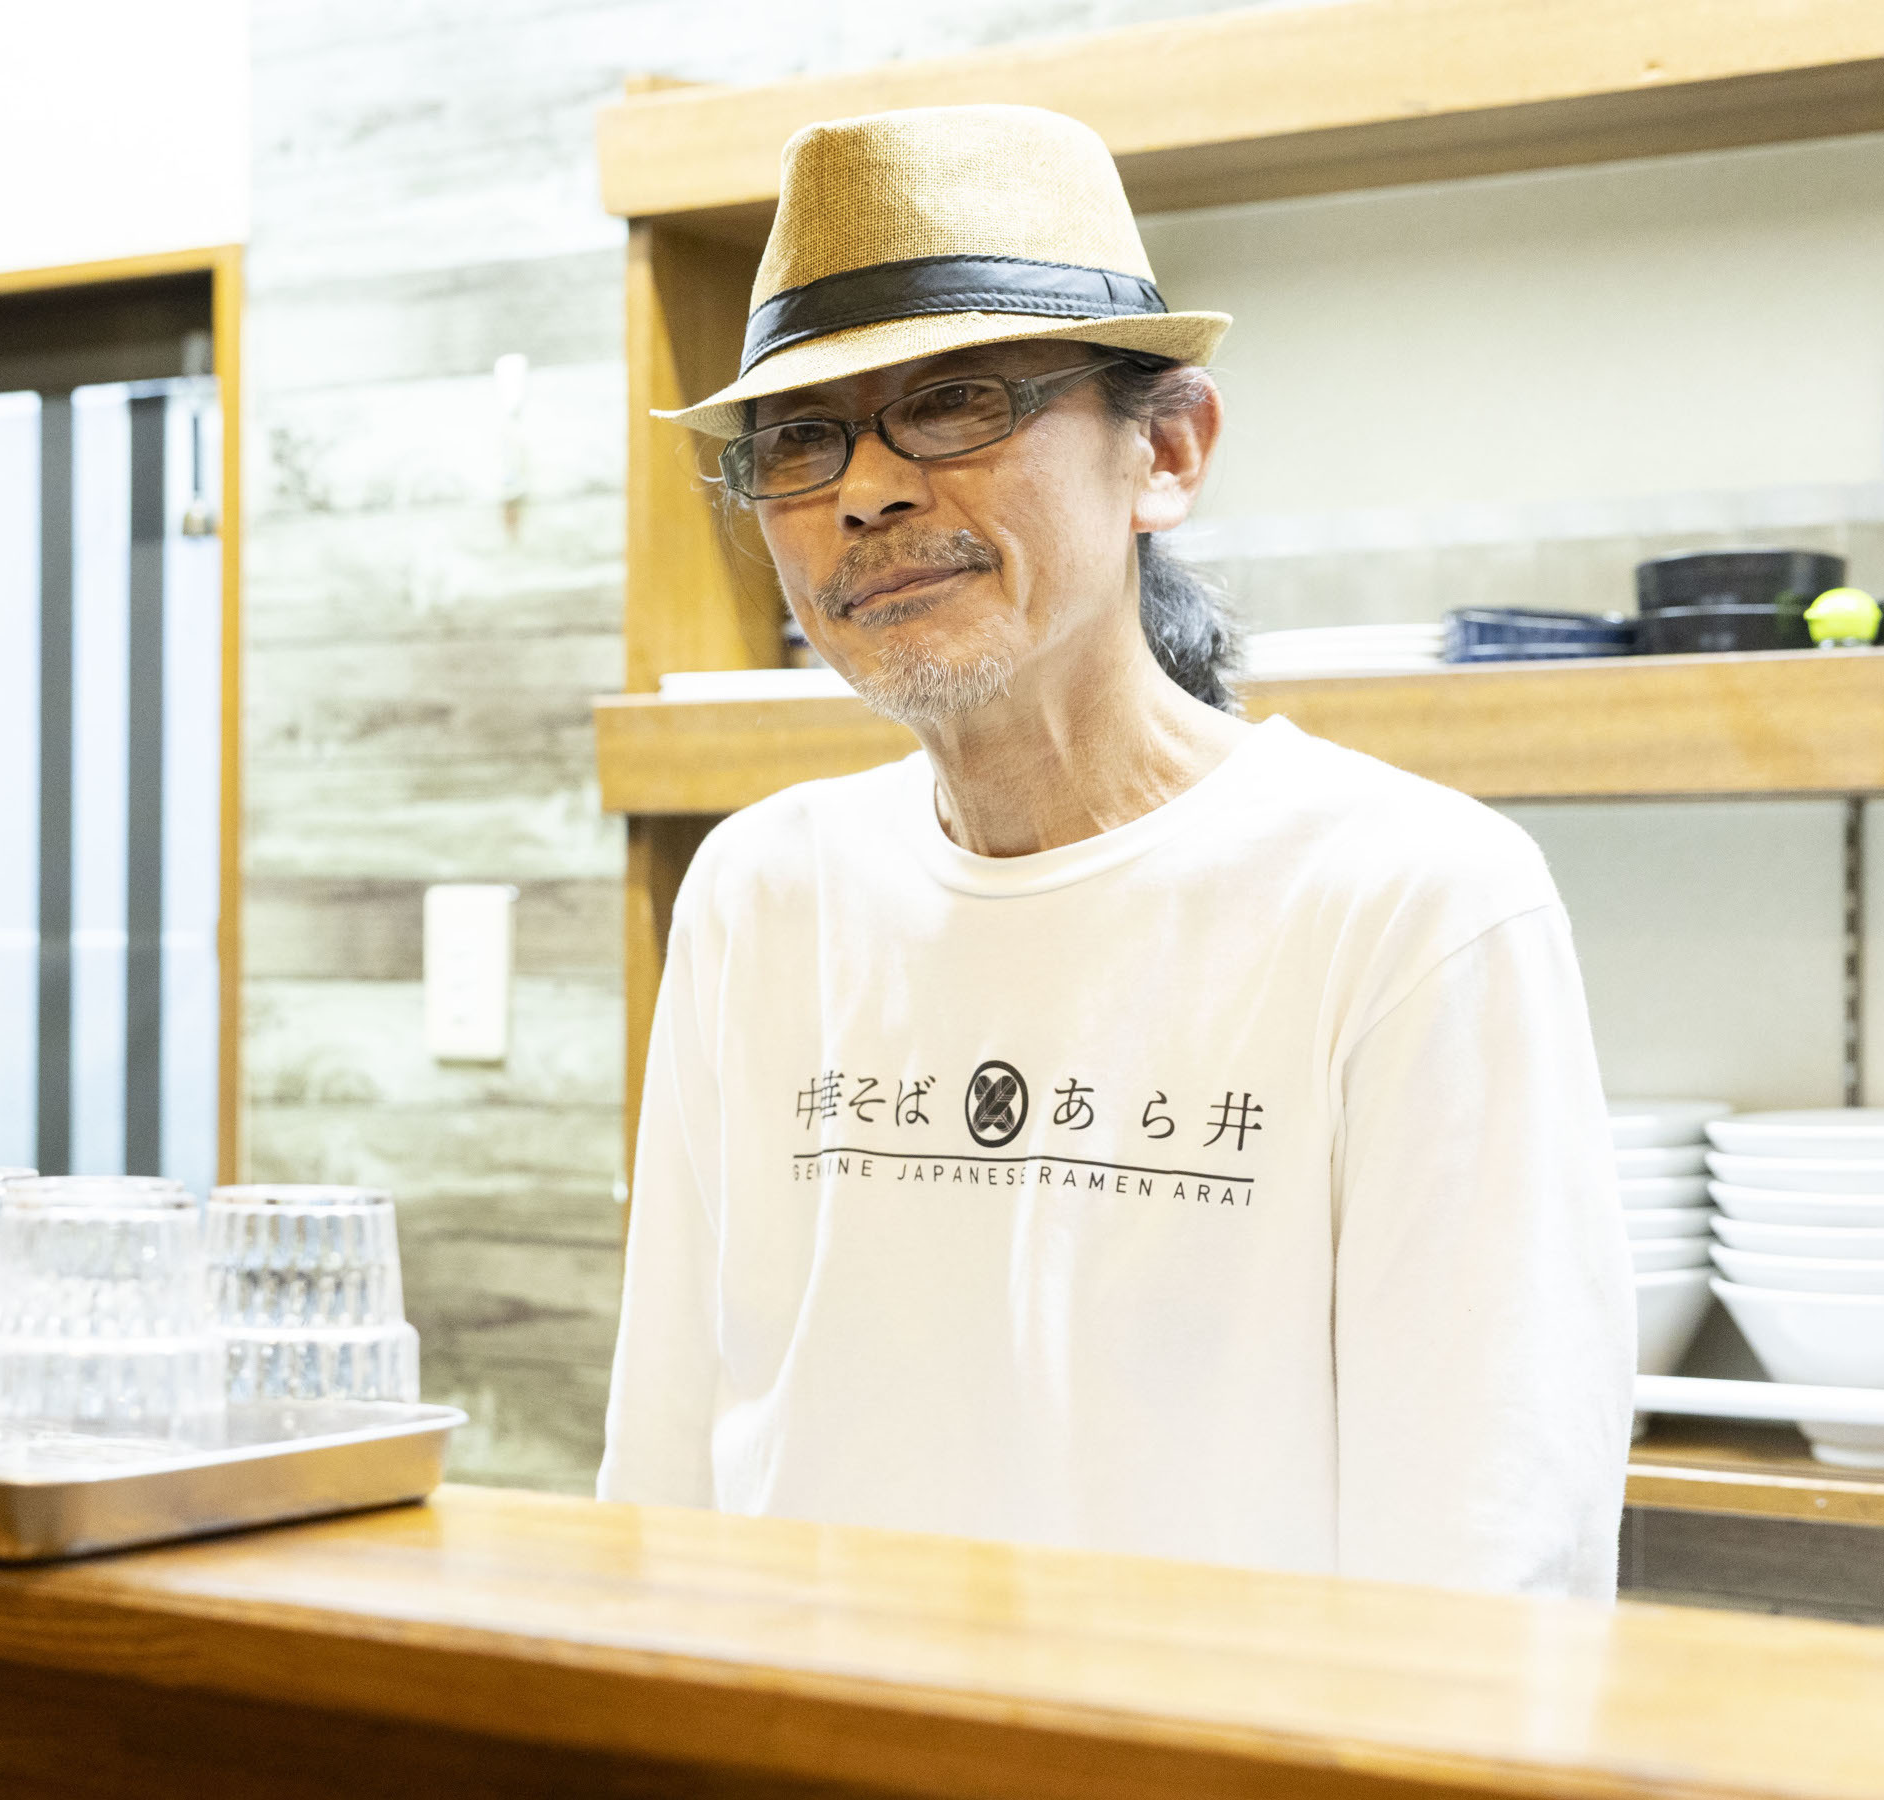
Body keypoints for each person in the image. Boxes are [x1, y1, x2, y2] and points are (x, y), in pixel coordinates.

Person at [597, 103, 1634, 1598]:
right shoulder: (762, 894)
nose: (866, 491)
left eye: (955, 402)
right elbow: (663, 1475)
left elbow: (1492, 1554)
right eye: (800, 440)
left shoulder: (1407, 899)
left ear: (1167, 450)